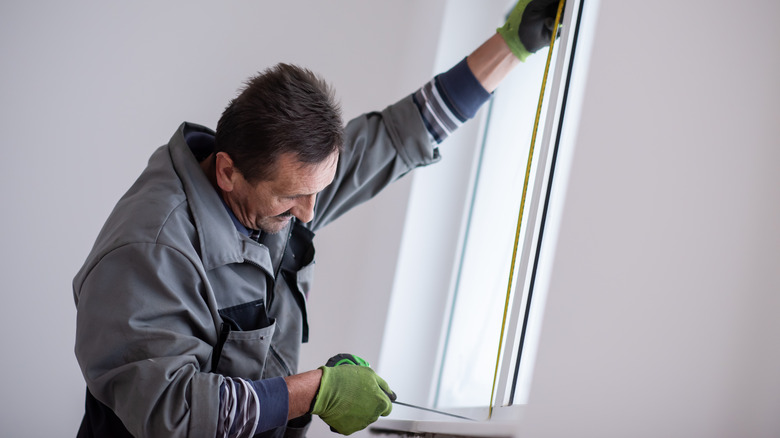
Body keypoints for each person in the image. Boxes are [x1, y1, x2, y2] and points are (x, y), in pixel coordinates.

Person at [72, 1, 563, 437]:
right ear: (227, 172)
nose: (309, 213)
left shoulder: (281, 182)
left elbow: (397, 137)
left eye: (318, 192)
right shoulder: (148, 253)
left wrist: (511, 46)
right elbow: (172, 418)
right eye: (293, 198)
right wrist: (317, 389)